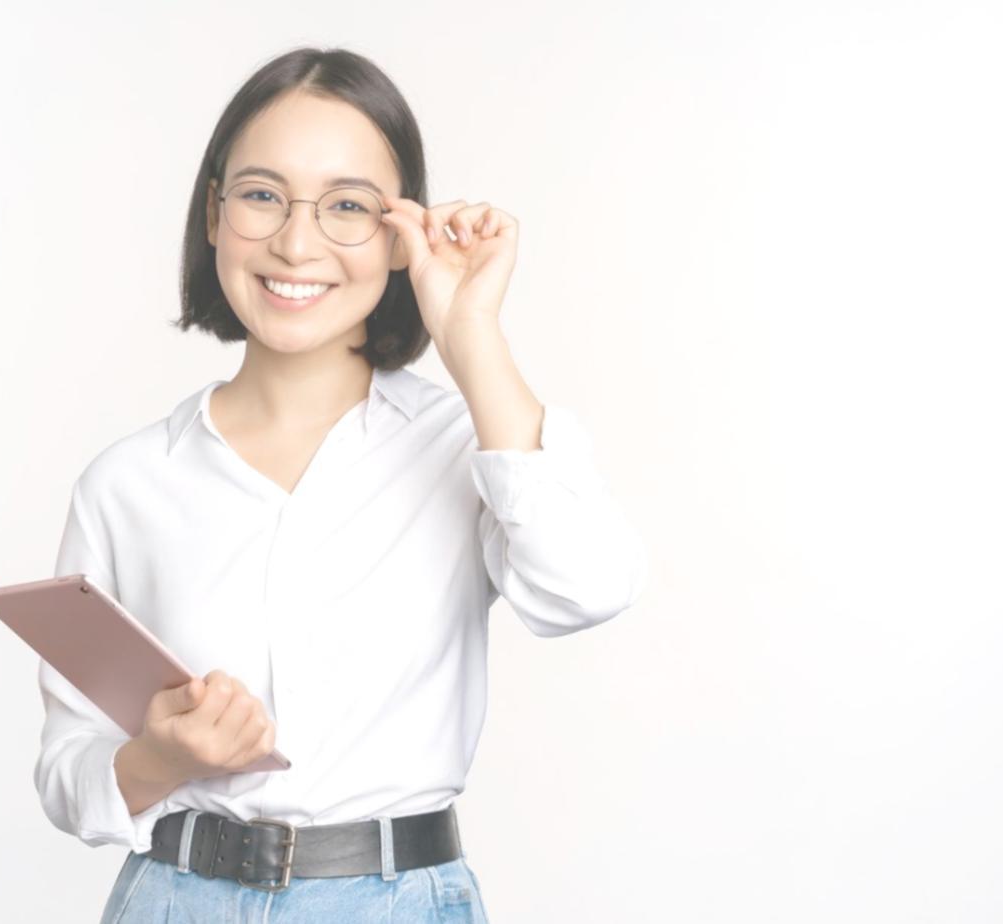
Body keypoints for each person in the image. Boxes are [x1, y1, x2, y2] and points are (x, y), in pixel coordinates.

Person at [35, 46, 647, 922]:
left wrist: (470, 334)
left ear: (401, 234)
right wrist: (161, 761)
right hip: (172, 900)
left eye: (348, 206)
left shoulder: (467, 445)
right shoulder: (127, 483)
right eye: (260, 195)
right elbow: (67, 767)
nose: (295, 242)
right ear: (213, 213)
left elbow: (585, 589)